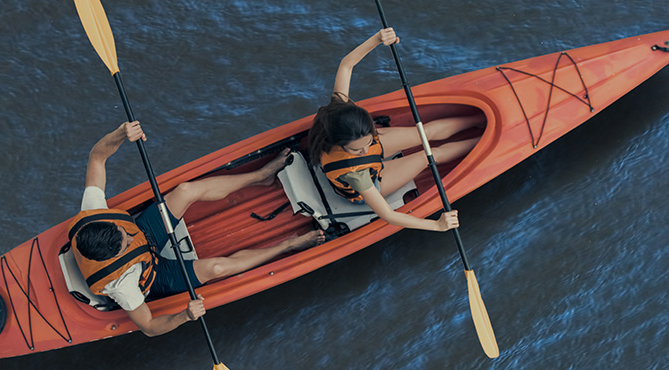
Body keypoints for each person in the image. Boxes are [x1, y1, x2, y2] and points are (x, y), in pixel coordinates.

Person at [70, 121, 324, 337]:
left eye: (121, 230)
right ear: (115, 254)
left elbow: (97, 156)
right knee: (216, 268)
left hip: (145, 237)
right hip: (153, 276)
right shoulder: (123, 287)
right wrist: (185, 316)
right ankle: (289, 244)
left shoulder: (91, 214)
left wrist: (121, 133)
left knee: (185, 191)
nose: (127, 234)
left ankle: (261, 176)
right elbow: (148, 326)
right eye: (124, 241)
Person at [307, 28, 483, 232]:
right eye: (357, 150)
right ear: (336, 142)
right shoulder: (355, 175)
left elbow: (347, 65)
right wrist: (437, 225)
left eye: (368, 142)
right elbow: (388, 215)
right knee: (430, 155)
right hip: (371, 178)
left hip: (368, 159)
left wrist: (377, 39)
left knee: (424, 134)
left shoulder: (340, 111)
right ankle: (482, 139)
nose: (364, 151)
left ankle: (478, 118)